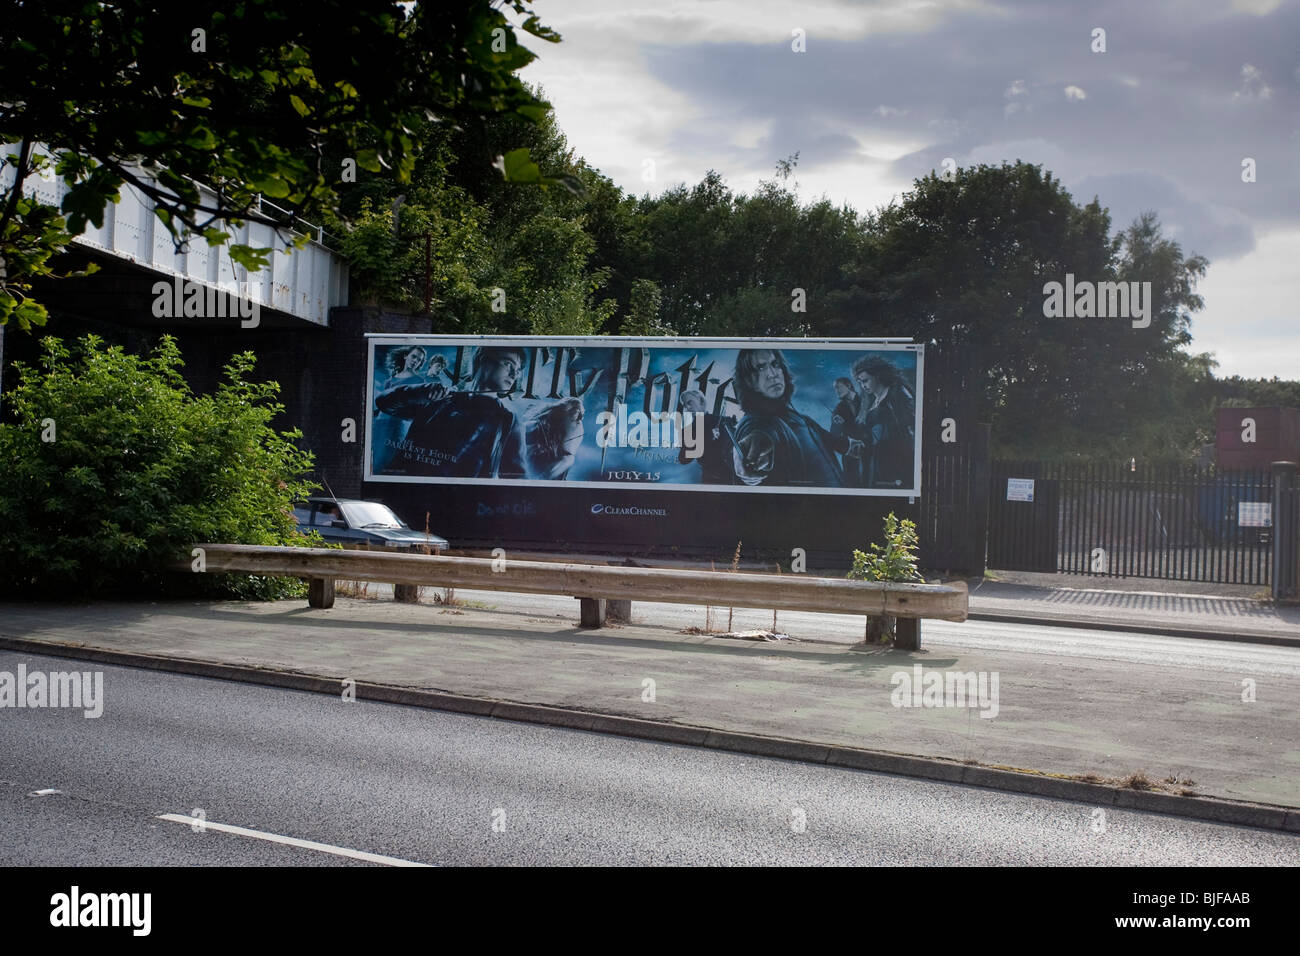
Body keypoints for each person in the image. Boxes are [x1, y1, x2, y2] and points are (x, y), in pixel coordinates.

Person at [374, 346, 527, 479]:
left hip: (456, 500)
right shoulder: (441, 398)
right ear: (482, 360)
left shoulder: (507, 420)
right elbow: (384, 403)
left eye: (518, 371)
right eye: (508, 364)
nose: (514, 375)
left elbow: (517, 477)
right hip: (407, 488)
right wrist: (422, 392)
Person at [729, 349, 862, 488]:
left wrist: (847, 445)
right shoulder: (754, 422)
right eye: (761, 368)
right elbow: (760, 436)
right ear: (748, 381)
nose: (772, 374)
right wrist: (758, 444)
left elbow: (821, 435)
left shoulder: (794, 416)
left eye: (775, 364)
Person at [851, 355, 916, 488]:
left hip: (896, 459)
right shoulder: (869, 401)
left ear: (878, 376)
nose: (863, 386)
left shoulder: (898, 394)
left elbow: (909, 429)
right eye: (860, 382)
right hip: (876, 459)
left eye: (865, 380)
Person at [677, 389, 737, 485]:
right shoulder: (688, 430)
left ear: (701, 401)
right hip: (711, 479)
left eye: (689, 403)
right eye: (684, 405)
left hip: (736, 477)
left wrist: (736, 427)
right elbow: (683, 459)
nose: (686, 408)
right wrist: (706, 439)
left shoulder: (725, 421)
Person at [829, 376, 863, 483]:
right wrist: (838, 425)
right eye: (835, 389)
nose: (836, 391)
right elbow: (834, 434)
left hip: (870, 448)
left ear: (848, 385)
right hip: (852, 452)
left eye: (838, 387)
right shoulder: (838, 410)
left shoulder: (865, 401)